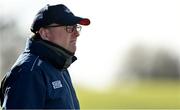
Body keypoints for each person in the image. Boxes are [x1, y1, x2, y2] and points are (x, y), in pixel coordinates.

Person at [0, 4, 90, 109]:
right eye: (69, 28)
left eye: (76, 27)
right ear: (45, 33)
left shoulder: (58, 66)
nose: (76, 33)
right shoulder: (29, 72)